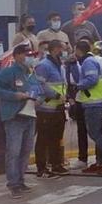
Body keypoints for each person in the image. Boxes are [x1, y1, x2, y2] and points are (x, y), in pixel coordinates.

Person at [0, 44, 42, 198]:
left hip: (30, 116)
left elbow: (39, 91)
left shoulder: (31, 73)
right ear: (16, 56)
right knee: (14, 151)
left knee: (25, 151)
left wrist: (39, 100)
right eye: (26, 54)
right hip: (15, 117)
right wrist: (14, 96)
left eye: (31, 55)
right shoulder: (8, 72)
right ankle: (13, 184)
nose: (29, 57)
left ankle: (21, 180)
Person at [73, 40, 102, 174]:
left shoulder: (88, 62)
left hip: (93, 103)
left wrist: (77, 86)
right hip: (97, 102)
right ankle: (100, 162)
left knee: (94, 133)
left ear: (79, 50)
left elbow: (92, 79)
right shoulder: (92, 61)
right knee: (99, 133)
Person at [34, 40, 69, 178]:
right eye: (63, 48)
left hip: (59, 108)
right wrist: (55, 95)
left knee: (56, 137)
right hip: (46, 109)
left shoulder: (60, 65)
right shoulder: (43, 65)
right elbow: (40, 84)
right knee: (43, 138)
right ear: (56, 49)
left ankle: (56, 164)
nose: (65, 51)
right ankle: (41, 167)